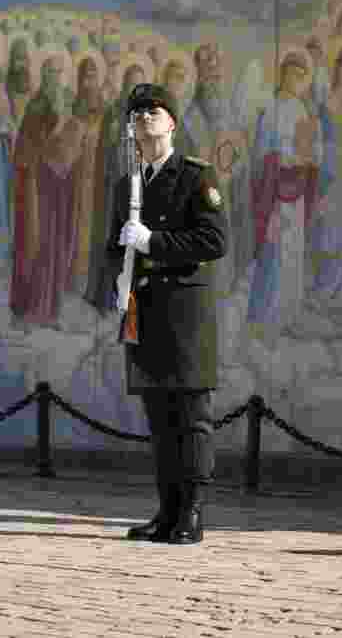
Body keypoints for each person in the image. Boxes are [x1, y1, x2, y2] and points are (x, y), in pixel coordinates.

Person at [108, 84, 228, 544]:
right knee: (160, 419)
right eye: (136, 114)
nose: (143, 120)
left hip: (186, 315)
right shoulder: (128, 185)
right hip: (146, 311)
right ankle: (166, 510)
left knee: (191, 416)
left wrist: (153, 243)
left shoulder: (197, 177)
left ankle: (192, 514)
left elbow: (214, 242)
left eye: (152, 112)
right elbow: (110, 248)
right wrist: (117, 280)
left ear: (172, 122)